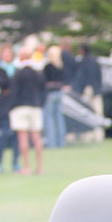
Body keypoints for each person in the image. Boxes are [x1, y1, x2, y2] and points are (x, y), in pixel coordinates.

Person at [10, 46, 46, 174]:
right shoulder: (37, 73)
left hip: (20, 107)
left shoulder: (18, 73)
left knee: (23, 138)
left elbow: (14, 92)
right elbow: (43, 90)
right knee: (37, 137)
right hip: (35, 106)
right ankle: (40, 167)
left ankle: (27, 167)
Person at [71, 43, 104, 143]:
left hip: (87, 89)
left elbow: (81, 77)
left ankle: (88, 135)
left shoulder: (83, 62)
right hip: (96, 89)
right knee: (98, 112)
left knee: (87, 111)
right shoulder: (95, 61)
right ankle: (99, 134)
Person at [42, 46, 67, 148]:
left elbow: (44, 81)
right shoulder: (60, 66)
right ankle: (61, 142)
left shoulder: (48, 67)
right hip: (59, 93)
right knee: (59, 118)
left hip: (50, 94)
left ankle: (52, 143)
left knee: (49, 118)